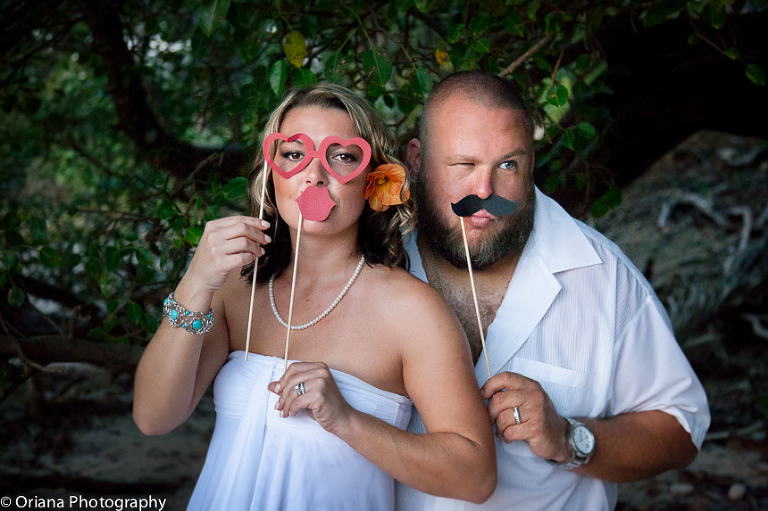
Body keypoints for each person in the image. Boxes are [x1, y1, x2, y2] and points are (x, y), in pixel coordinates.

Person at [133, 84, 497, 510]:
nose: (314, 174)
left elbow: (476, 478)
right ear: (272, 170)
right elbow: (153, 417)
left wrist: (346, 420)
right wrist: (195, 283)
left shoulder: (411, 312)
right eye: (293, 154)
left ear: (373, 179)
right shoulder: (234, 287)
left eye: (342, 157)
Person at [395, 71, 711, 510]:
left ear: (530, 162)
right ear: (416, 158)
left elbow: (681, 429)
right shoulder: (377, 261)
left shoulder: (602, 276)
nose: (484, 192)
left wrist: (569, 437)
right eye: (463, 166)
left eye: (507, 165)